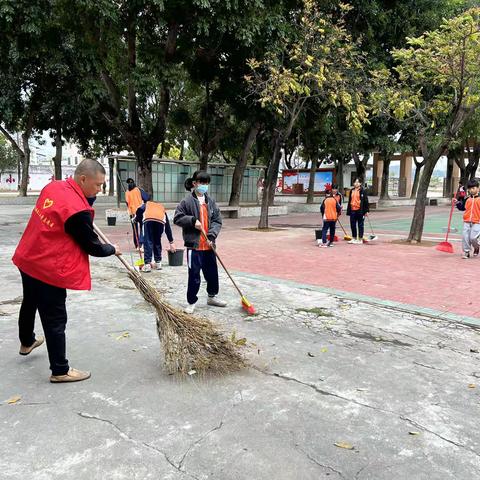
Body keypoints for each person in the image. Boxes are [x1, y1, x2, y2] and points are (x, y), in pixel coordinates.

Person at [12, 159, 120, 383]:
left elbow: (66, 214)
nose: (99, 191)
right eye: (98, 185)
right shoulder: (77, 211)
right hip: (47, 267)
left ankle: (26, 341)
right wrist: (112, 248)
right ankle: (60, 370)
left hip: (28, 255)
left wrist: (85, 205)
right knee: (55, 318)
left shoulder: (53, 187)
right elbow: (92, 247)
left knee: (30, 300)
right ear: (83, 179)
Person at [174, 170, 226, 314]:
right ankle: (191, 302)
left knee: (212, 273)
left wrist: (211, 236)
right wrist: (191, 221)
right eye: (201, 183)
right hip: (194, 247)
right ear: (194, 183)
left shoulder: (211, 201)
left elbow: (217, 220)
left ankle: (212, 296)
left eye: (206, 183)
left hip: (209, 246)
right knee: (194, 275)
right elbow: (177, 218)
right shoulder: (187, 201)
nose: (204, 186)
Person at [135, 200, 176, 272]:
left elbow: (139, 210)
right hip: (160, 222)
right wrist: (171, 242)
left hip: (148, 220)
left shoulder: (147, 204)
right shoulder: (161, 207)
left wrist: (136, 219)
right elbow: (167, 227)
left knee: (148, 240)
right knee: (157, 240)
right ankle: (158, 263)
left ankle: (147, 264)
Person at [455, 178, 480, 259]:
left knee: (473, 238)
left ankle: (476, 247)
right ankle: (466, 252)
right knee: (465, 237)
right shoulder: (467, 199)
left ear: (478, 188)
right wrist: (457, 203)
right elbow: (462, 208)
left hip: (477, 222)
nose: (471, 190)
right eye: (470, 189)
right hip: (466, 221)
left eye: (473, 188)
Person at [125, 178, 149, 249]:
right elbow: (146, 198)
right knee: (142, 227)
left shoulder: (127, 192)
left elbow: (127, 203)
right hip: (140, 211)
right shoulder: (139, 190)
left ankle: (137, 244)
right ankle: (141, 244)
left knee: (134, 229)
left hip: (132, 213)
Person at [346, 178, 370, 244]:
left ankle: (360, 239)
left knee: (360, 225)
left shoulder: (363, 191)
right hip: (352, 210)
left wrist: (366, 211)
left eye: (358, 182)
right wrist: (349, 210)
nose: (356, 183)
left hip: (360, 210)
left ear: (360, 183)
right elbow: (349, 201)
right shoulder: (352, 191)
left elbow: (366, 201)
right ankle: (354, 238)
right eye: (355, 182)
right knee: (353, 225)